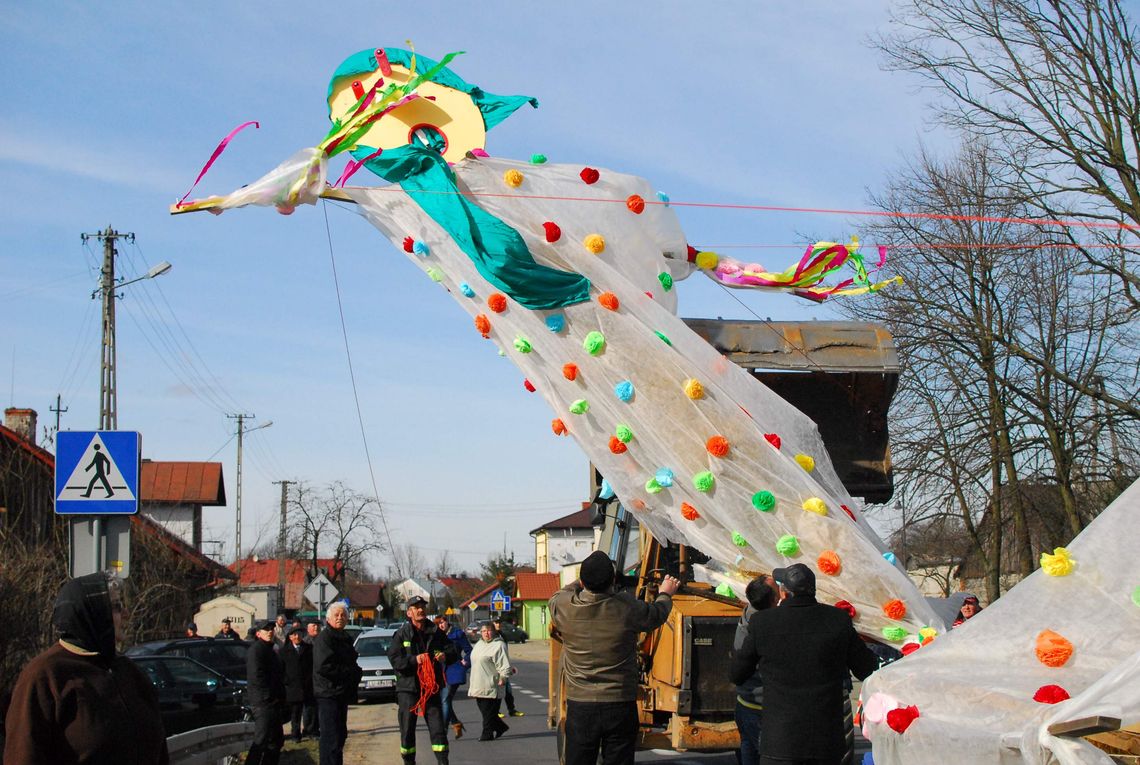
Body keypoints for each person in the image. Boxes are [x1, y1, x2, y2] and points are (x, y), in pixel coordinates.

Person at [3, 571, 170, 765]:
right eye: (116, 607)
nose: (125, 614)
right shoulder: (45, 675)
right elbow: (23, 755)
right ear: (91, 612)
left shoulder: (128, 671)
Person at [729, 563, 880, 765]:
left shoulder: (763, 622)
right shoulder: (838, 620)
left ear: (784, 593)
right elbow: (866, 668)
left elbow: (736, 674)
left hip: (780, 742)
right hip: (826, 742)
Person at [549, 550, 679, 765]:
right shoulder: (626, 607)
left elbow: (559, 594)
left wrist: (579, 582)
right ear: (613, 581)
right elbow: (657, 613)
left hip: (581, 705)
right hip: (620, 704)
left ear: (582, 581)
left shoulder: (564, 607)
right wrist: (666, 593)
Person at [388, 595, 458, 765]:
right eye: (416, 607)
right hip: (408, 688)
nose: (420, 610)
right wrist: (414, 660)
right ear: (409, 612)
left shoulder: (435, 632)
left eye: (422, 607)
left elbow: (453, 650)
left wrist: (445, 656)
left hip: (431, 688)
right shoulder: (401, 634)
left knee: (438, 729)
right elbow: (395, 660)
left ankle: (443, 762)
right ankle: (409, 762)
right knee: (407, 729)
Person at [733, 576, 779, 765]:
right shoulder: (765, 626)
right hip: (760, 706)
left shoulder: (748, 614)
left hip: (745, 702)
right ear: (774, 600)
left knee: (749, 751)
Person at [313, 602, 361, 765]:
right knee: (331, 738)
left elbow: (351, 660)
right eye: (336, 615)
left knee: (340, 736)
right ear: (328, 618)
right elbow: (324, 666)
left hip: (341, 693)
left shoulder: (345, 637)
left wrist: (356, 672)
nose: (340, 618)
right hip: (328, 694)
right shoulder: (324, 638)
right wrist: (348, 673)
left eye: (343, 615)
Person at [245, 619, 287, 765]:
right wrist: (268, 697)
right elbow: (257, 677)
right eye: (266, 629)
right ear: (258, 633)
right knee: (261, 740)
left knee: (276, 740)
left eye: (271, 629)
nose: (270, 631)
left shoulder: (272, 649)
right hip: (263, 703)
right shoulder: (256, 650)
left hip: (273, 702)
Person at [468, 623, 515, 741]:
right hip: (478, 683)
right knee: (485, 711)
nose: (486, 633)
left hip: (492, 683)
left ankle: (487, 734)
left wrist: (503, 677)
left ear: (494, 632)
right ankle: (501, 727)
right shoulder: (479, 644)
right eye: (484, 631)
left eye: (489, 631)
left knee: (489, 712)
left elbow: (504, 664)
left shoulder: (499, 645)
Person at [435, 615, 473, 738]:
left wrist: (465, 662)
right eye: (438, 623)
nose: (441, 625)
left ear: (447, 622)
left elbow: (469, 651)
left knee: (445, 699)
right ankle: (456, 723)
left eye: (443, 622)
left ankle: (443, 730)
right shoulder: (437, 636)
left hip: (455, 670)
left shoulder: (457, 634)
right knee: (444, 700)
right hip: (441, 671)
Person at [281, 626, 317, 742]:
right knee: (295, 713)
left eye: (299, 634)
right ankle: (295, 735)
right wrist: (286, 681)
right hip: (293, 687)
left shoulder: (309, 649)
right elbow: (281, 669)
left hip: (307, 685)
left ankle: (310, 731)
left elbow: (313, 666)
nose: (297, 637)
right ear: (290, 637)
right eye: (294, 635)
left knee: (310, 710)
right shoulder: (284, 651)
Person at [491, 617, 522, 717]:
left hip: (504, 666)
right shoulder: (491, 635)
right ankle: (496, 711)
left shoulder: (502, 635)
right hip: (495, 666)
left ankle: (511, 710)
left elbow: (505, 652)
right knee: (498, 690)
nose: (498, 625)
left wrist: (509, 665)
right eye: (496, 623)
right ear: (493, 623)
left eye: (499, 623)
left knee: (508, 690)